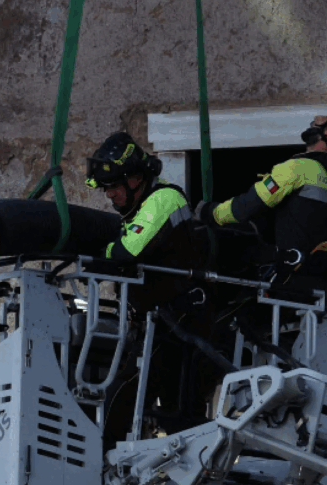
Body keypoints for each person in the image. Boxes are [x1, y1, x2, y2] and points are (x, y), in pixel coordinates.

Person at [85, 132, 221, 445]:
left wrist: (96, 257)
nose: (110, 196)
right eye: (107, 189)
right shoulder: (139, 211)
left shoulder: (164, 199)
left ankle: (101, 463)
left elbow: (125, 253)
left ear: (136, 178)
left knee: (128, 398)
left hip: (180, 322)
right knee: (172, 414)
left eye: (114, 187)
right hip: (165, 324)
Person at [195, 96, 327, 304]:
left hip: (294, 283)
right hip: (325, 284)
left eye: (326, 119)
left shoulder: (300, 168)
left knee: (232, 315)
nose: (317, 119)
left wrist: (209, 213)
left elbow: (248, 206)